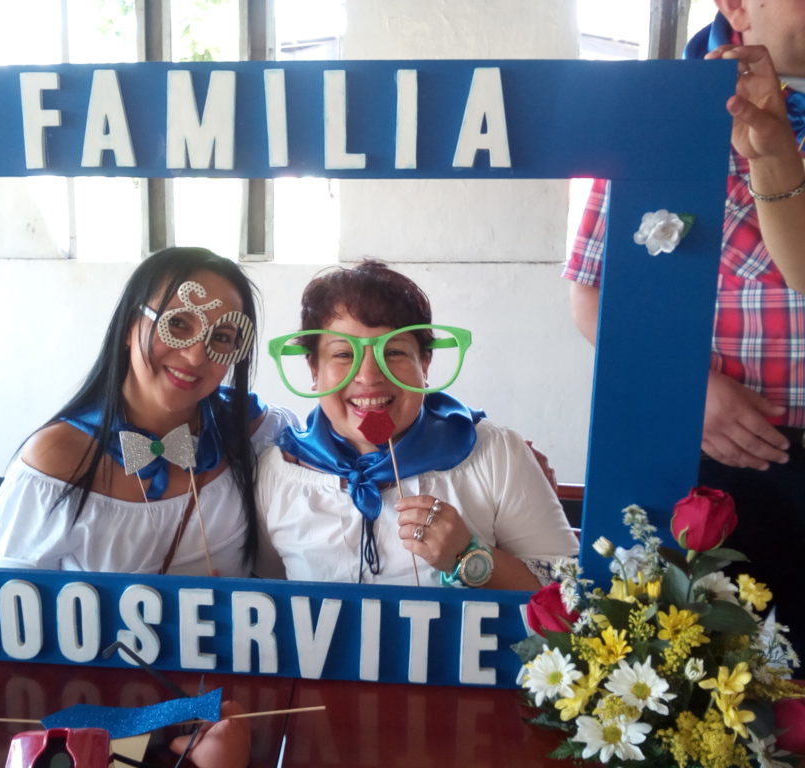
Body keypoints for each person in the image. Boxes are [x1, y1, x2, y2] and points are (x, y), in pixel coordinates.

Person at [565, 2, 805, 654]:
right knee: (712, 675)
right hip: (712, 460)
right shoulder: (661, 113)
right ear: (736, 5)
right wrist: (684, 388)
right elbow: (590, 294)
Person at [256, 261, 578, 589]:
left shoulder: (495, 453)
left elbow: (569, 594)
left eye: (394, 352)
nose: (369, 376)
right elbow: (263, 588)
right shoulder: (278, 471)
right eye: (343, 355)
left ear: (424, 363)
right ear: (314, 369)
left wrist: (469, 557)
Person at [0, 246, 297, 575]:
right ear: (130, 325)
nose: (195, 356)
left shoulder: (255, 431)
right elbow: (16, 597)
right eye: (177, 323)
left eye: (222, 337)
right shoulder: (58, 457)